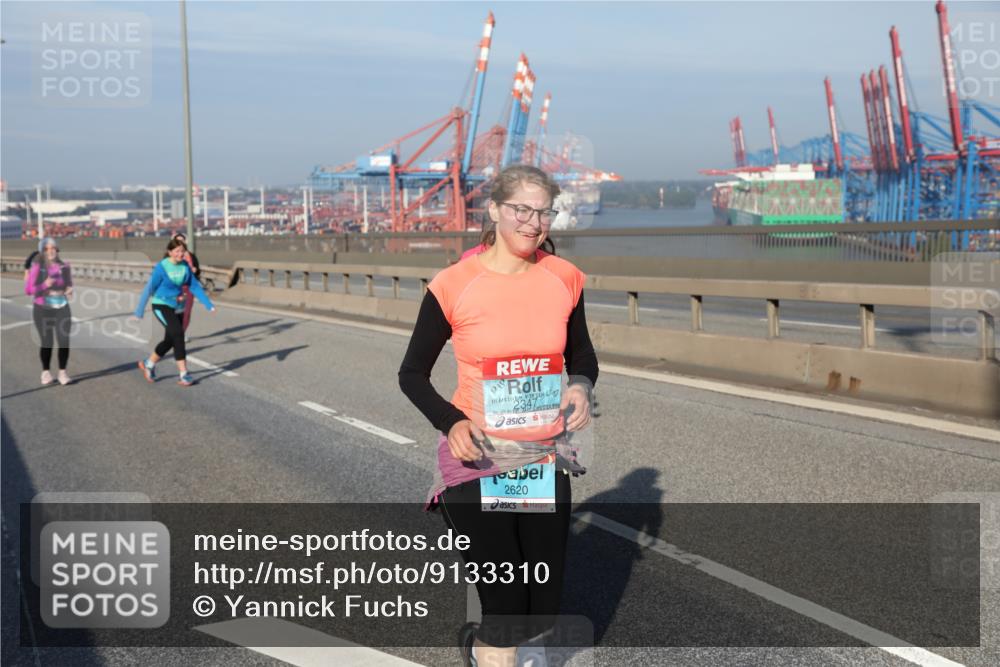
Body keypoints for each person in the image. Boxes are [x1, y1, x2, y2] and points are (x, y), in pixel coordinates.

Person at [399, 165, 598, 667]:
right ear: (494, 210)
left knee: (539, 613)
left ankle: (475, 647)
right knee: (506, 606)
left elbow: (583, 355)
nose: (534, 223)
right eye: (521, 210)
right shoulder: (453, 284)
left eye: (544, 212)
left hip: (541, 459)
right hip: (478, 459)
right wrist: (452, 422)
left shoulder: (564, 280)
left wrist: (579, 385)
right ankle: (489, 645)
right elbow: (412, 374)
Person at [134, 238, 215, 386]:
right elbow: (149, 289)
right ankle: (184, 374)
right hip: (162, 304)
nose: (180, 254)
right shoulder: (162, 267)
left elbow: (194, 286)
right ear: (170, 252)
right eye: (177, 251)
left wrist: (208, 303)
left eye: (182, 251)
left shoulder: (185, 266)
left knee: (170, 340)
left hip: (178, 305)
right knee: (178, 333)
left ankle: (149, 364)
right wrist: (139, 311)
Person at [24, 238, 75, 386]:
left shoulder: (65, 266)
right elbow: (28, 290)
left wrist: (69, 290)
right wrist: (44, 284)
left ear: (57, 250)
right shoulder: (37, 267)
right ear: (42, 251)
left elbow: (69, 285)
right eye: (46, 249)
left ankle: (62, 372)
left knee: (64, 341)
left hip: (62, 307)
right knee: (48, 342)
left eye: (53, 248)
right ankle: (46, 372)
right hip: (42, 309)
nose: (50, 251)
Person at [169, 233, 201, 340]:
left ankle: (181, 333)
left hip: (189, 287)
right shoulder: (169, 256)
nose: (180, 243)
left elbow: (197, 270)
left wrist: (195, 271)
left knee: (186, 312)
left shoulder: (191, 256)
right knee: (176, 312)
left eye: (182, 240)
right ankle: (175, 333)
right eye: (177, 241)